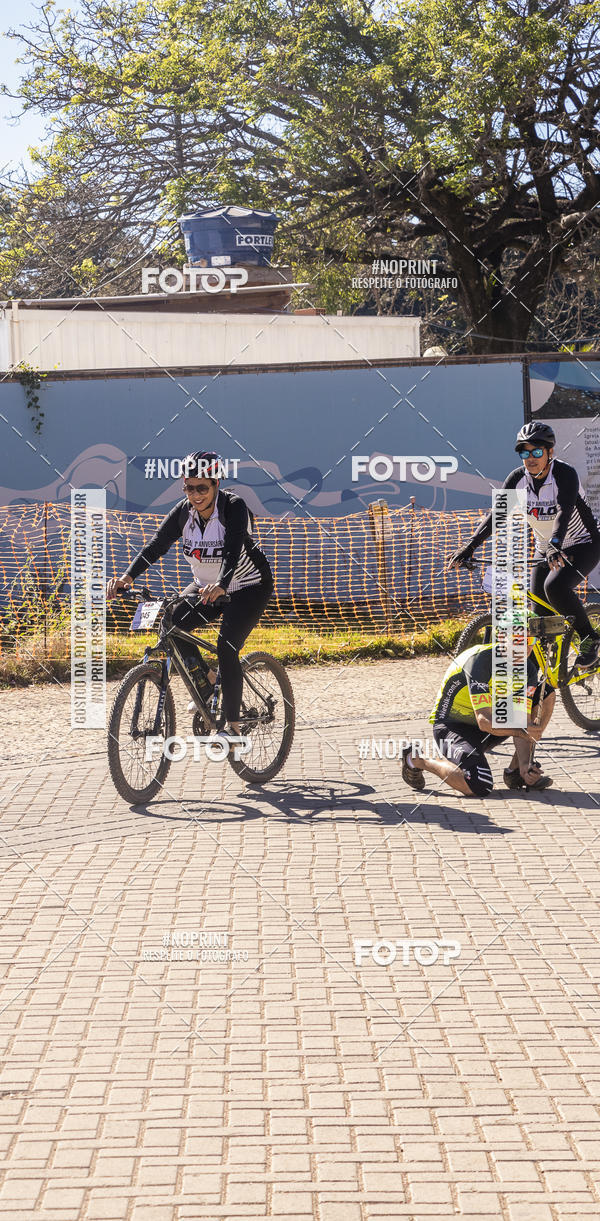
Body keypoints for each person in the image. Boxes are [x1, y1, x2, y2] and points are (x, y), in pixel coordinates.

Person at [107, 451, 274, 735]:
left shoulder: (234, 507)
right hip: (206, 586)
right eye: (188, 487)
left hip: (248, 586)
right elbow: (157, 545)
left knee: (226, 647)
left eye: (201, 488)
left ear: (216, 484)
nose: (195, 495)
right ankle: (208, 687)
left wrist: (222, 583)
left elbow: (233, 551)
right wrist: (127, 577)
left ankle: (232, 728)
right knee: (170, 625)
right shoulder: (183, 512)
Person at [448, 421, 600, 668]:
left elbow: (563, 510)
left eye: (537, 452)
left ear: (550, 453)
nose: (530, 458)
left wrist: (555, 543)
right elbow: (497, 515)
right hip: (547, 549)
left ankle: (589, 638)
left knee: (556, 587)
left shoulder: (564, 474)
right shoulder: (517, 479)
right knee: (537, 617)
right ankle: (544, 678)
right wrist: (470, 545)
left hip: (583, 543)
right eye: (524, 452)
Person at [401, 636, 555, 797]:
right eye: (518, 640)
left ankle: (516, 771)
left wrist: (525, 764)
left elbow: (521, 719)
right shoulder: (480, 662)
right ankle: (417, 759)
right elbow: (484, 721)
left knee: (545, 693)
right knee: (478, 785)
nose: (525, 647)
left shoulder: (528, 668)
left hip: (492, 725)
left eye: (530, 640)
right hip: (453, 726)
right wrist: (521, 731)